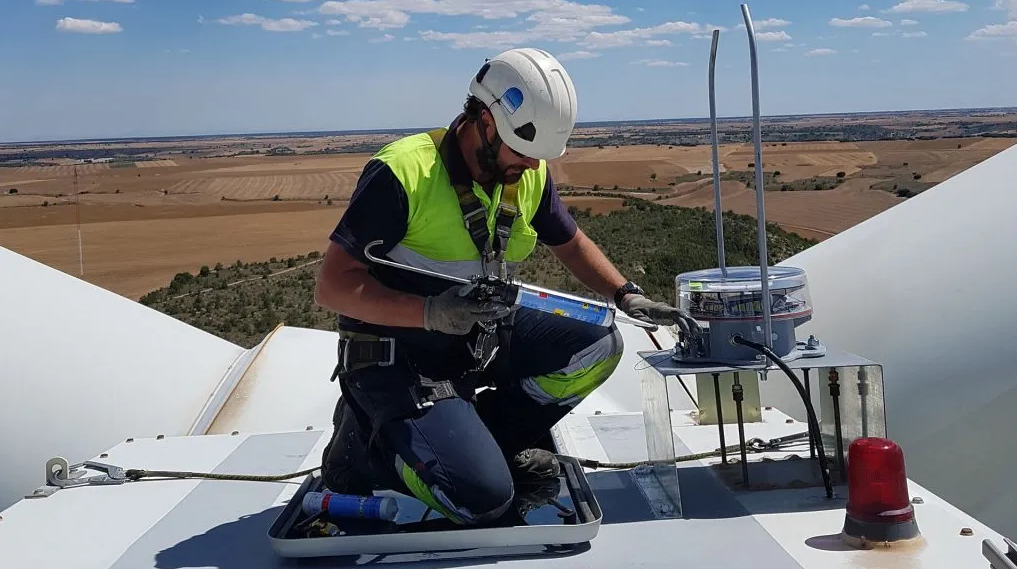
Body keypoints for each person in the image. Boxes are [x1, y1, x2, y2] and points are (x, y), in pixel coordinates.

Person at [313, 47, 699, 526]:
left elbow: (571, 243)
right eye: (524, 152)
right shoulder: (405, 172)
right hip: (400, 362)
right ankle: (365, 455)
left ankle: (485, 441)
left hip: (475, 340)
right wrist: (430, 314)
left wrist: (626, 294)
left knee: (596, 344)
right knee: (482, 501)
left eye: (540, 157)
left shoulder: (524, 173)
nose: (534, 167)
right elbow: (331, 286)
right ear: (485, 121)